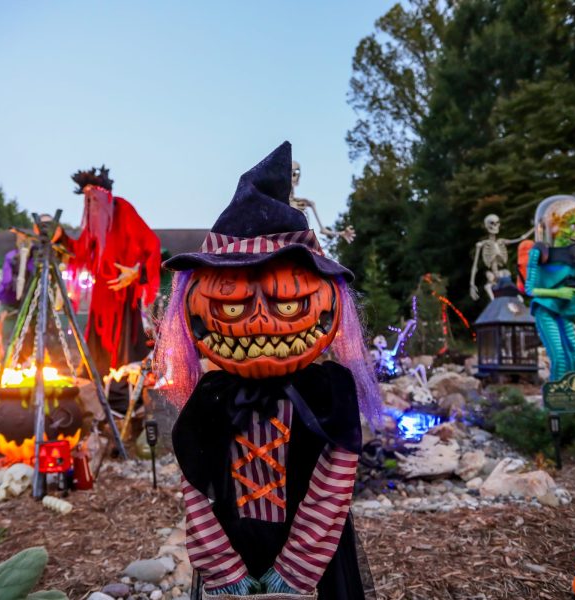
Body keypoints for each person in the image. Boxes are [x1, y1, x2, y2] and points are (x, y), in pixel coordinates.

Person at [157, 142, 379, 598]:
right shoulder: (210, 394)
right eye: (230, 303)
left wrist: (298, 569)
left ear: (327, 301)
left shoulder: (329, 390)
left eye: (289, 301)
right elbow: (194, 484)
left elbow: (336, 480)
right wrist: (221, 569)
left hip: (312, 561)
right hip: (232, 549)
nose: (259, 321)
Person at [62, 167, 161, 376]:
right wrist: (60, 237)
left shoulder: (121, 208)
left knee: (125, 349)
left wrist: (138, 271)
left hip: (123, 293)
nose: (91, 200)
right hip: (101, 293)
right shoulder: (93, 222)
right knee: (97, 352)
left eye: (95, 193)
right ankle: (97, 386)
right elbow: (79, 251)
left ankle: (122, 392)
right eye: (87, 196)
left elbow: (151, 244)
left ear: (106, 193)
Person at [524, 196, 575, 381]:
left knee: (574, 356)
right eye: (570, 225)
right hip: (546, 308)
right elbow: (530, 289)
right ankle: (556, 402)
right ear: (554, 225)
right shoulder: (541, 251)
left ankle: (574, 396)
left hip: (566, 310)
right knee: (559, 357)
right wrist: (557, 292)